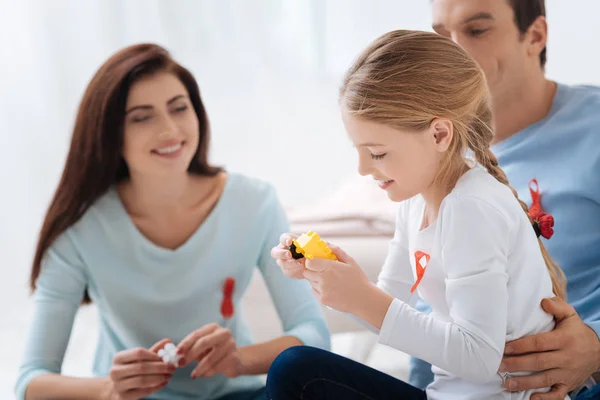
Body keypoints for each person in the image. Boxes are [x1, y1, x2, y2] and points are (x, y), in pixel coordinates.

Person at [14, 43, 330, 400]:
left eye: (179, 108)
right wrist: (108, 389)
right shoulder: (79, 229)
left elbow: (314, 334)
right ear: (109, 133)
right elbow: (29, 382)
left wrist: (241, 359)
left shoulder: (255, 203)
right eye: (141, 116)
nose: (169, 129)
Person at [267, 29, 569, 400]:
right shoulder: (416, 201)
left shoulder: (471, 207)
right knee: (297, 370)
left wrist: (363, 297)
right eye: (358, 150)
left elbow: (478, 357)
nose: (363, 168)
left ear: (440, 135)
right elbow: (388, 308)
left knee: (298, 372)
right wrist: (326, 277)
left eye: (376, 153)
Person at [407, 1, 600, 398]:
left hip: (580, 383)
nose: (453, 52)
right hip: (470, 385)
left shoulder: (593, 127)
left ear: (535, 36)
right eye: (441, 35)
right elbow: (426, 310)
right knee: (300, 373)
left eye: (476, 31)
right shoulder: (430, 154)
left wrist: (596, 347)